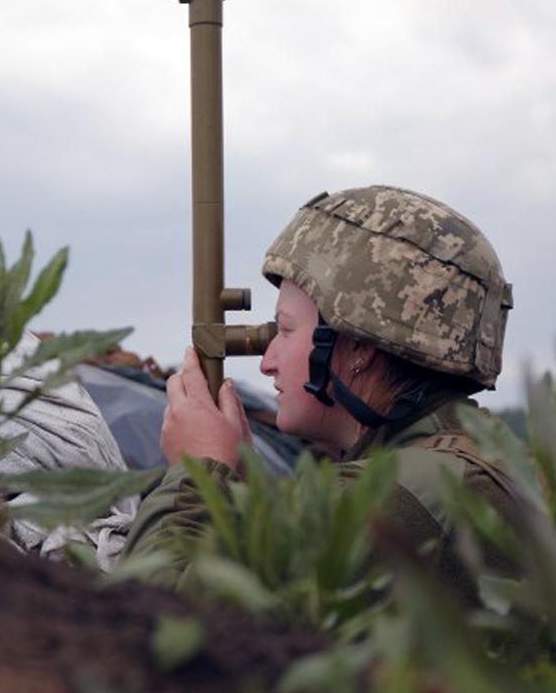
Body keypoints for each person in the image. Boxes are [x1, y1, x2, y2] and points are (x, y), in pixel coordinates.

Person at [124, 185, 523, 603]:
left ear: (360, 350)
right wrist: (243, 494)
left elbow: (153, 624)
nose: (267, 361)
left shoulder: (406, 494)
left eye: (285, 329)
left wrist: (198, 472)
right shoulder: (457, 465)